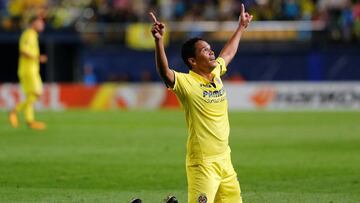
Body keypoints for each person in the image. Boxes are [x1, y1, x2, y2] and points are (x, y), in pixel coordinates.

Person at [149, 3, 252, 203]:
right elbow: (165, 73)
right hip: (203, 163)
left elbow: (228, 53)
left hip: (225, 160)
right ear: (193, 61)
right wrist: (159, 42)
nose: (212, 52)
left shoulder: (215, 73)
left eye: (211, 49)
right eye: (205, 51)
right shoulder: (187, 83)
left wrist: (241, 27)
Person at [9, 15, 47, 130]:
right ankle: (15, 111)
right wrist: (37, 57)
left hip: (27, 69)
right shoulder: (29, 34)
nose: (42, 25)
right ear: (33, 23)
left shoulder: (32, 35)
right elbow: (23, 51)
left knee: (30, 96)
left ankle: (30, 122)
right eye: (40, 22)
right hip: (29, 70)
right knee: (37, 92)